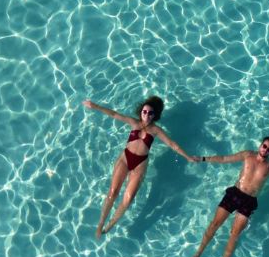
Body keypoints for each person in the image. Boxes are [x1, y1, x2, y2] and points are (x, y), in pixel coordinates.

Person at [187, 138, 269, 257]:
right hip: (234, 194)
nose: (265, 150)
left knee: (234, 234)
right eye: (264, 146)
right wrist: (203, 158)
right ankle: (198, 253)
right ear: (260, 145)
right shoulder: (247, 155)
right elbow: (224, 158)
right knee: (215, 224)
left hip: (249, 201)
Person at [83, 96, 195, 237]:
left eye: (150, 113)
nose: (147, 115)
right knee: (113, 192)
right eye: (144, 112)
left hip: (140, 163)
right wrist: (94, 105)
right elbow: (114, 114)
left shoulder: (156, 130)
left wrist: (188, 157)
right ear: (140, 112)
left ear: (155, 115)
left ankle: (110, 225)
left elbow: (172, 144)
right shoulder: (134, 123)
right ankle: (100, 224)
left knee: (128, 198)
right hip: (125, 159)